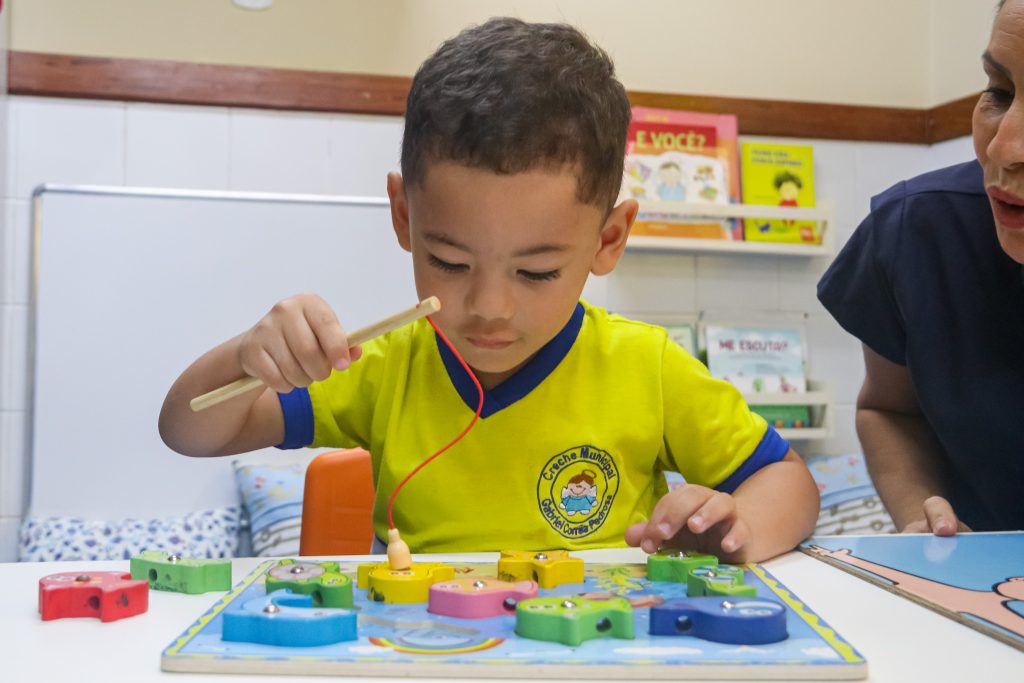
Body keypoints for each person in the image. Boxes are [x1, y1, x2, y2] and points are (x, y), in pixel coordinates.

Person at [159, 17, 819, 562]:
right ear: (404, 217)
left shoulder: (648, 367)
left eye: (536, 272)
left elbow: (788, 480)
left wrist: (737, 530)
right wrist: (248, 356)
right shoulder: (383, 368)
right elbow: (188, 429)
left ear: (609, 239)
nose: (489, 308)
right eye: (449, 260)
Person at [817, 0, 1024, 535]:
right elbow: (889, 410)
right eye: (999, 93)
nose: (1003, 148)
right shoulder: (918, 232)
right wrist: (926, 522)